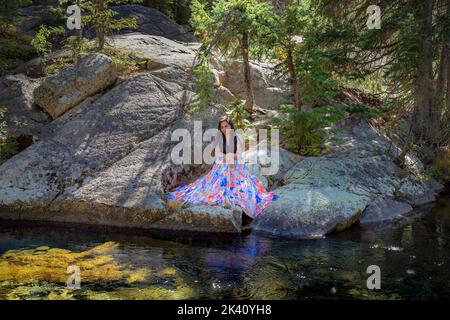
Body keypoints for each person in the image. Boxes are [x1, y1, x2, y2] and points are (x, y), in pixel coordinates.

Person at [167, 116, 278, 224]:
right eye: (222, 127)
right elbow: (218, 154)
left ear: (231, 126)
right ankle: (222, 186)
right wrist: (228, 157)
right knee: (223, 166)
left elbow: (239, 156)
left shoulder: (237, 137)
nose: (225, 129)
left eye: (227, 126)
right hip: (223, 165)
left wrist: (229, 157)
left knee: (238, 177)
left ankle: (233, 188)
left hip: (237, 167)